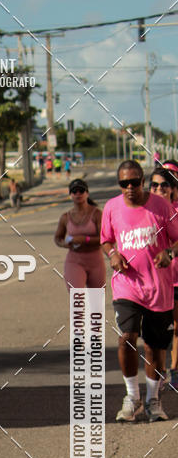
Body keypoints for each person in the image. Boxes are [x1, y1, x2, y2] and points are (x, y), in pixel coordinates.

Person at [100, 160, 178, 422]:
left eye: (135, 182)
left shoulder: (161, 207)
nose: (130, 187)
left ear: (143, 182)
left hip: (158, 287)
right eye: (124, 183)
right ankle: (131, 397)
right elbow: (106, 240)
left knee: (155, 348)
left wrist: (169, 252)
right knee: (127, 337)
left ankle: (153, 400)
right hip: (127, 285)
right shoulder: (112, 207)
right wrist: (112, 254)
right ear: (119, 184)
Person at [152, 165, 178, 387]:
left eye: (165, 184)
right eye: (155, 185)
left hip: (175, 277)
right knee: (158, 332)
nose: (160, 189)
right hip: (156, 281)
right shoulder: (146, 209)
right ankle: (159, 372)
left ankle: (174, 369)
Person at [54, 178, 104, 291]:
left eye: (81, 191)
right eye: (74, 191)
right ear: (70, 195)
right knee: (77, 301)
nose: (78, 194)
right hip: (74, 261)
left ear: (87, 193)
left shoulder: (97, 214)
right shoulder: (65, 217)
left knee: (96, 307)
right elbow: (58, 238)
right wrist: (64, 244)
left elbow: (104, 238)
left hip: (95, 261)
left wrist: (84, 239)